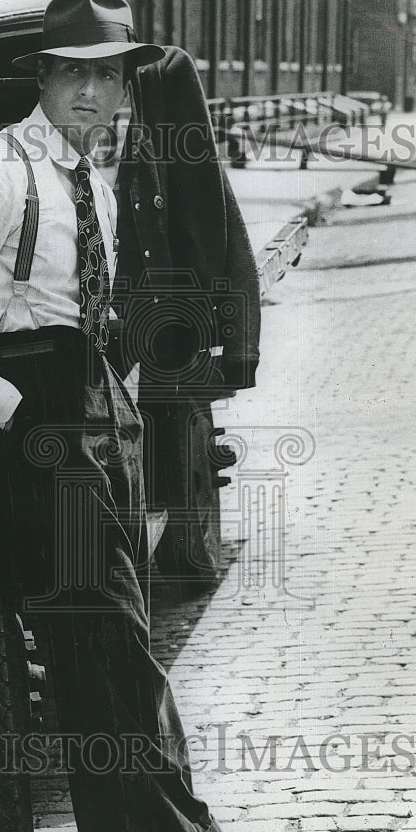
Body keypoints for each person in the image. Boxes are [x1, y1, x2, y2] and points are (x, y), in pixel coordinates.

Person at [0, 0, 303, 832]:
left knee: (124, 635)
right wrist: (18, 416)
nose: (89, 92)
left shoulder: (87, 178)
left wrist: (110, 396)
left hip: (92, 402)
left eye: (107, 76)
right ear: (40, 77)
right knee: (101, 643)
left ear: (127, 89)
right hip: (32, 411)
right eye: (70, 73)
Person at [98, 46, 262, 583]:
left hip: (164, 317)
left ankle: (184, 546)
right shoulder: (126, 152)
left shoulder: (171, 161)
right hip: (130, 309)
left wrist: (239, 351)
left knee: (166, 431)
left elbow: (230, 248)